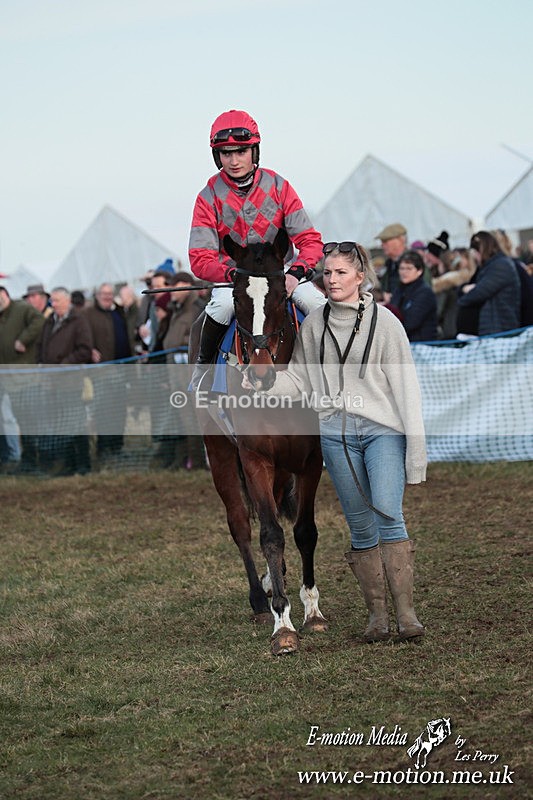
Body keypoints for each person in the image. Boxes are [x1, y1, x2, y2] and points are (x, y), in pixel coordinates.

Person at [245, 241, 426, 642]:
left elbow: (407, 390)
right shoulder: (314, 325)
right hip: (336, 434)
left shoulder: (386, 323)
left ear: (360, 277)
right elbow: (300, 378)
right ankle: (377, 618)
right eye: (327, 273)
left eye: (341, 272)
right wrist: (264, 383)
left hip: (382, 431)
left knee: (388, 514)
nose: (332, 279)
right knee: (360, 528)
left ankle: (407, 614)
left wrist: (416, 455)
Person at [188, 109, 326, 387]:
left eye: (241, 151)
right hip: (235, 278)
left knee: (316, 303)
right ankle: (202, 373)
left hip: (280, 274)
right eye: (226, 153)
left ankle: (336, 377)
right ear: (218, 157)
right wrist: (232, 276)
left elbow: (310, 242)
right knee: (223, 305)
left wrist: (296, 273)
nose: (234, 160)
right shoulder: (208, 197)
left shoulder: (279, 186)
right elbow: (199, 259)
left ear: (254, 151)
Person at [37, 287, 93, 475]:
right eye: (52, 301)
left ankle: (83, 464)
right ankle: (68, 464)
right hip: (52, 382)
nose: (54, 304)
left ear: (67, 301)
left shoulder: (79, 321)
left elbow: (85, 350)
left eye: (57, 300)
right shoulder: (50, 321)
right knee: (62, 423)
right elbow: (42, 345)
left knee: (76, 423)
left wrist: (65, 364)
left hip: (70, 382)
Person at [83, 283, 132, 460]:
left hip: (122, 368)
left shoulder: (119, 312)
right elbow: (83, 336)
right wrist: (89, 350)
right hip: (102, 371)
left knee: (120, 410)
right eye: (104, 293)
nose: (107, 297)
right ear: (97, 295)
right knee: (104, 411)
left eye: (110, 294)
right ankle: (104, 450)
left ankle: (117, 447)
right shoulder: (88, 314)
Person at [0, 285, 45, 472]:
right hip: (7, 379)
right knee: (13, 420)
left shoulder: (22, 309)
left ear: (5, 295)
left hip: (25, 378)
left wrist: (23, 339)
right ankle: (18, 458)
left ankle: (36, 460)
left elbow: (40, 321)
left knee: (29, 420)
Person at [457, 231, 521, 335]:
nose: (475, 257)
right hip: (490, 331)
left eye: (476, 252)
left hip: (499, 331)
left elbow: (478, 293)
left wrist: (464, 293)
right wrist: (464, 289)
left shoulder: (501, 265)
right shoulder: (487, 267)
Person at [390, 250, 438, 341]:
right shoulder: (399, 290)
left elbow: (411, 323)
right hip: (401, 341)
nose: (404, 272)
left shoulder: (425, 292)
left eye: (409, 268)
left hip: (422, 345)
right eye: (401, 268)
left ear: (419, 271)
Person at [375, 223, 408, 303]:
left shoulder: (414, 263)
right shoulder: (389, 264)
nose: (382, 245)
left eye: (385, 241)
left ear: (401, 240)